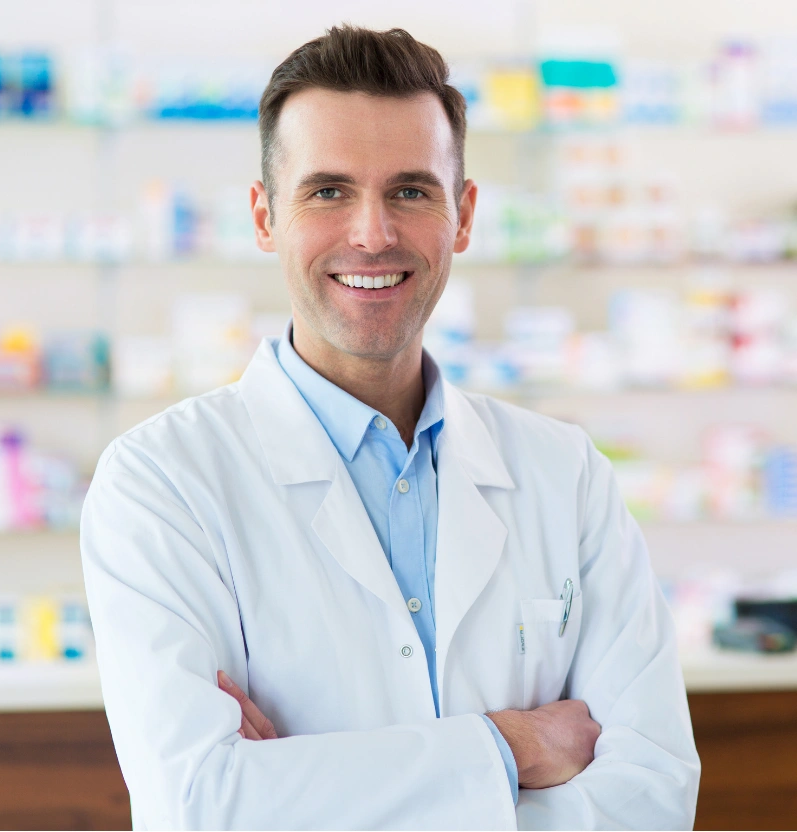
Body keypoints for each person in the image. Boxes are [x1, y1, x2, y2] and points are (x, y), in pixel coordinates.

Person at [81, 25, 700, 830]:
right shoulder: (161, 482)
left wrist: (305, 783)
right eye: (327, 191)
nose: (371, 234)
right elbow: (201, 804)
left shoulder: (565, 473)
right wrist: (506, 752)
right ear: (265, 217)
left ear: (463, 215)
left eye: (410, 190)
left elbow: (652, 795)